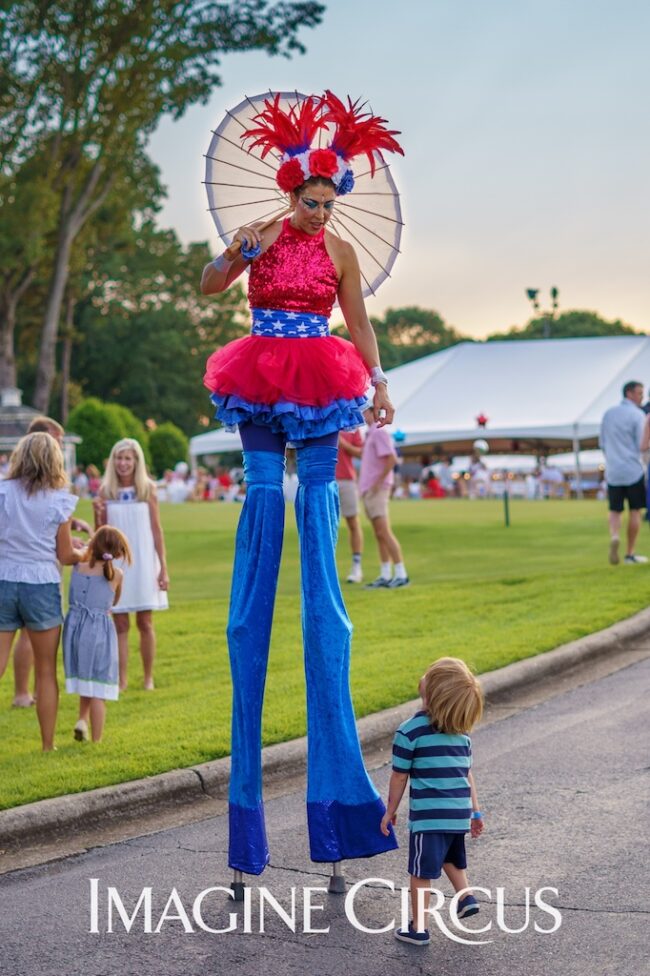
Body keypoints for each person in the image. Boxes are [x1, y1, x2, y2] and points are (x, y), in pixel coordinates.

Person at [201, 90, 403, 877]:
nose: (320, 214)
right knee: (262, 510)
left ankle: (339, 810)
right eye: (311, 202)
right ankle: (246, 824)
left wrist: (378, 381)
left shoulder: (342, 251)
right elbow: (210, 286)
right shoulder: (259, 235)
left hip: (322, 380)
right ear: (292, 193)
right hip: (258, 373)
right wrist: (234, 255)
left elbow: (358, 322)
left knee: (319, 540)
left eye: (329, 203)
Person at [380, 657, 485, 945]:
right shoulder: (461, 735)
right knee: (450, 856)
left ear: (432, 690)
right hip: (458, 814)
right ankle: (465, 896)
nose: (423, 675)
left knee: (420, 873)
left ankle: (419, 929)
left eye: (429, 674)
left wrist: (390, 811)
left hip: (429, 818)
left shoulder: (410, 731)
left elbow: (399, 776)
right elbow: (467, 775)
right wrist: (475, 812)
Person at [0, 433, 83, 750]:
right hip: (42, 584)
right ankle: (48, 745)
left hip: (4, 578)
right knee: (46, 670)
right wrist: (84, 553)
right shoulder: (59, 499)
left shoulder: (3, 492)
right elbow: (65, 555)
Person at [11, 416, 91, 709]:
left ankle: (27, 693)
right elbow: (63, 551)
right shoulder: (54, 494)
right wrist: (82, 553)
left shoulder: (9, 487)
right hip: (37, 576)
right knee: (31, 639)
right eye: (56, 440)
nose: (59, 445)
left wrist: (69, 526)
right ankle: (23, 693)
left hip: (11, 573)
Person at [94, 438, 168, 691]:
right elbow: (101, 534)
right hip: (118, 565)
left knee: (145, 622)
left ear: (136, 461)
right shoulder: (106, 492)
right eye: (119, 458)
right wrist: (96, 514)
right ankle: (122, 680)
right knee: (120, 624)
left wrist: (163, 568)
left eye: (127, 458)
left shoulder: (147, 490)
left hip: (145, 562)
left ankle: (148, 678)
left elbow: (156, 530)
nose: (123, 463)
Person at [63, 526, 132, 743]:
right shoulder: (116, 575)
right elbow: (114, 602)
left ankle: (82, 720)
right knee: (99, 687)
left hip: (74, 631)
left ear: (93, 545)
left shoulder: (78, 567)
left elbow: (84, 556)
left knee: (86, 677)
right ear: (118, 553)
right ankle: (97, 739)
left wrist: (86, 546)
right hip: (99, 633)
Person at [600, 380, 650, 565]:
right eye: (639, 393)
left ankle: (614, 535)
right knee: (635, 511)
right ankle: (630, 553)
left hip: (613, 470)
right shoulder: (637, 415)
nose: (642, 397)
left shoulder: (608, 414)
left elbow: (602, 443)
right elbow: (642, 445)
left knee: (615, 510)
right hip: (633, 470)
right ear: (629, 393)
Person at [359, 406, 409, 588]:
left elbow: (391, 458)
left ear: (373, 412)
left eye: (365, 411)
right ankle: (385, 574)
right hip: (370, 490)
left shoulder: (379, 432)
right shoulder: (371, 434)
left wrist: (377, 483)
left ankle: (401, 573)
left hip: (377, 490)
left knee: (384, 532)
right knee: (379, 534)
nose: (362, 414)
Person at [336, 429, 364, 583]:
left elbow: (361, 453)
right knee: (326, 526)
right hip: (324, 480)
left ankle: (356, 566)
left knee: (353, 522)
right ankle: (326, 569)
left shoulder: (351, 423)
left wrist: (343, 444)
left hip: (347, 480)